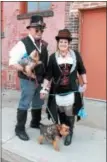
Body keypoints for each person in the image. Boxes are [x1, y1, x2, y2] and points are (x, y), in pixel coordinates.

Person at [40, 29, 87, 146]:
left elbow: (82, 69)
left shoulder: (75, 55)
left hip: (71, 90)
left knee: (69, 113)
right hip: (57, 91)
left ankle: (69, 132)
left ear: (69, 43)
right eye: (61, 42)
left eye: (65, 42)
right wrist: (44, 89)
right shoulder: (52, 57)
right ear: (58, 43)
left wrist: (85, 83)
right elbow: (48, 75)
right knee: (61, 113)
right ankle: (63, 129)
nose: (63, 44)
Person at [9, 15, 48, 141]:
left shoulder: (43, 45)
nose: (39, 32)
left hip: (40, 79)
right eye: (36, 29)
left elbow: (45, 62)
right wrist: (26, 69)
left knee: (38, 102)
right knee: (25, 102)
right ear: (30, 29)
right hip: (27, 80)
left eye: (41, 29)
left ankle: (35, 122)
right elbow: (13, 62)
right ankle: (19, 128)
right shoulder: (23, 43)